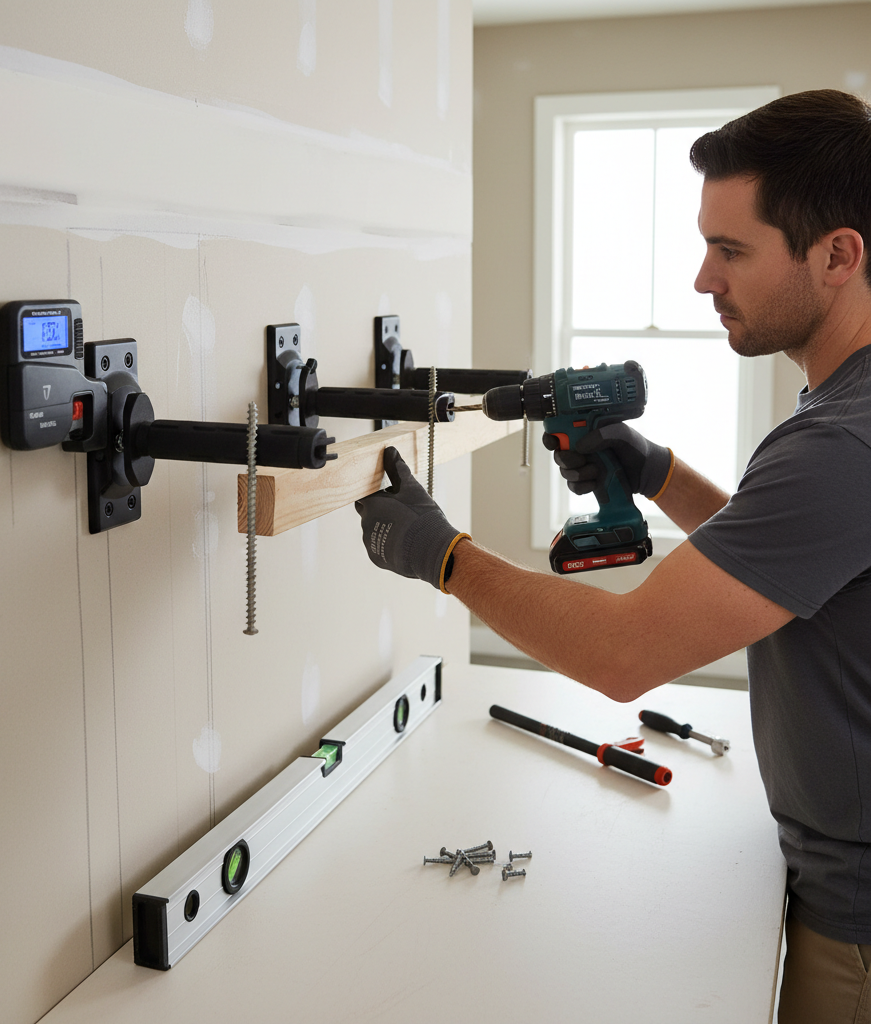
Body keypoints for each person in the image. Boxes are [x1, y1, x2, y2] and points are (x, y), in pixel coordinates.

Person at [354, 89, 871, 1024]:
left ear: (838, 255)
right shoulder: (844, 409)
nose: (703, 280)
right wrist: (655, 468)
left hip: (858, 929)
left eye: (732, 250)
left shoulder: (845, 442)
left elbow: (622, 655)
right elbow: (798, 567)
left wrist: (441, 555)